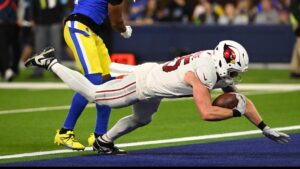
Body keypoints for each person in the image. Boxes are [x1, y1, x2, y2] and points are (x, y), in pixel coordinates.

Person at [24, 40, 290, 154]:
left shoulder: (216, 64)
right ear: (222, 62)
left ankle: (104, 142)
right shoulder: (204, 71)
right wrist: (237, 111)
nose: (233, 75)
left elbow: (241, 99)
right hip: (144, 83)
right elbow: (206, 113)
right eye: (232, 70)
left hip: (156, 83)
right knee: (96, 94)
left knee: (142, 120)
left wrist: (264, 127)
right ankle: (50, 62)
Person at [54, 0, 133, 151]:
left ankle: (100, 137)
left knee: (108, 83)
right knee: (94, 80)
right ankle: (65, 132)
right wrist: (124, 30)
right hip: (79, 27)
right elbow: (116, 21)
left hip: (92, 32)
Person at [290, 0, 300, 79]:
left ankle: (295, 70)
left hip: (296, 23)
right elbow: (295, 11)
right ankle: (295, 70)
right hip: (297, 24)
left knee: (298, 46)